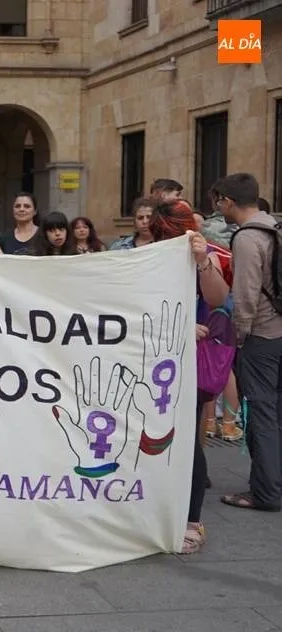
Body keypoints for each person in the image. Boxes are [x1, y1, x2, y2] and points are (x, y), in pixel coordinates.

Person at [148, 198, 230, 552]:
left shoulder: (209, 255)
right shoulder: (145, 256)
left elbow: (219, 298)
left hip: (191, 363)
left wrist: (201, 262)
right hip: (153, 359)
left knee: (187, 441)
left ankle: (192, 518)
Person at [213, 173, 282, 512]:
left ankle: (266, 493)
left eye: (219, 201)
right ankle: (273, 484)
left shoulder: (246, 238)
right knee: (276, 413)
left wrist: (238, 339)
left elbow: (246, 297)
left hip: (260, 337)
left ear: (227, 200)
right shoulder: (276, 228)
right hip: (281, 333)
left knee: (261, 415)